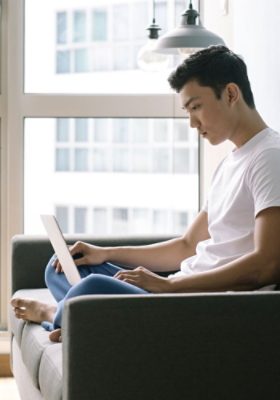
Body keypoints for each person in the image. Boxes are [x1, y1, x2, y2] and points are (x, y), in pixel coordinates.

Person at [11, 45, 280, 342]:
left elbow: (267, 264)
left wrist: (169, 288)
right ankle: (84, 318)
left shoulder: (269, 157)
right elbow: (187, 245)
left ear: (231, 94)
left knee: (89, 289)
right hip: (177, 290)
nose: (192, 123)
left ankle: (55, 314)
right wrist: (105, 253)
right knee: (61, 267)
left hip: (197, 302)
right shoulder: (230, 162)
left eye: (196, 106)